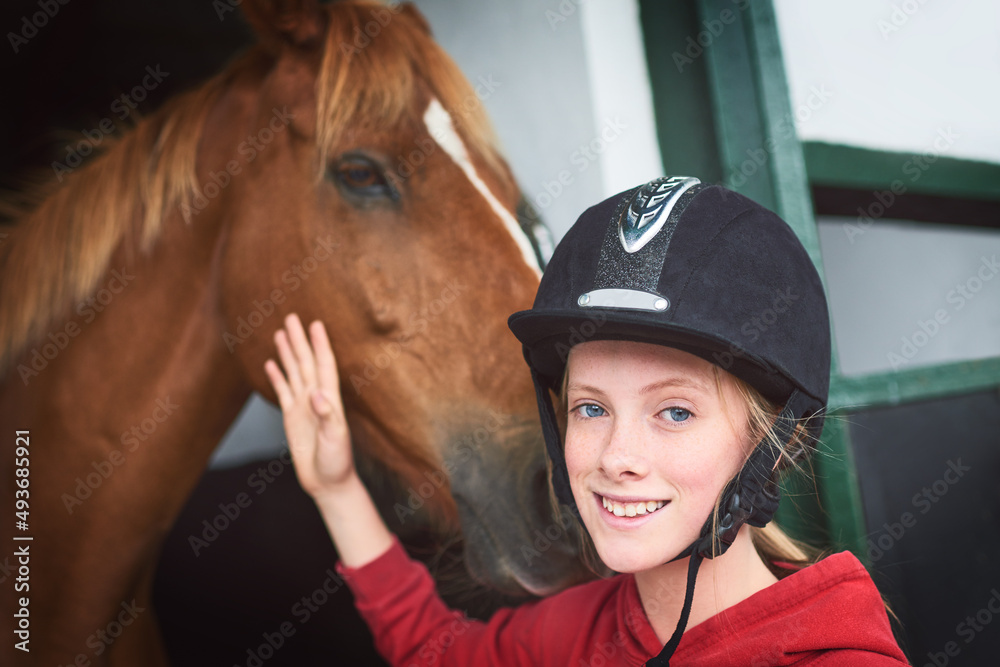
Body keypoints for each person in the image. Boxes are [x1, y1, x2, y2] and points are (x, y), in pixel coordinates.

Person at [264, 176, 909, 666]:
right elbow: (435, 650)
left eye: (675, 411)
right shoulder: (578, 630)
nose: (615, 457)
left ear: (773, 444)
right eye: (592, 407)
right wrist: (337, 486)